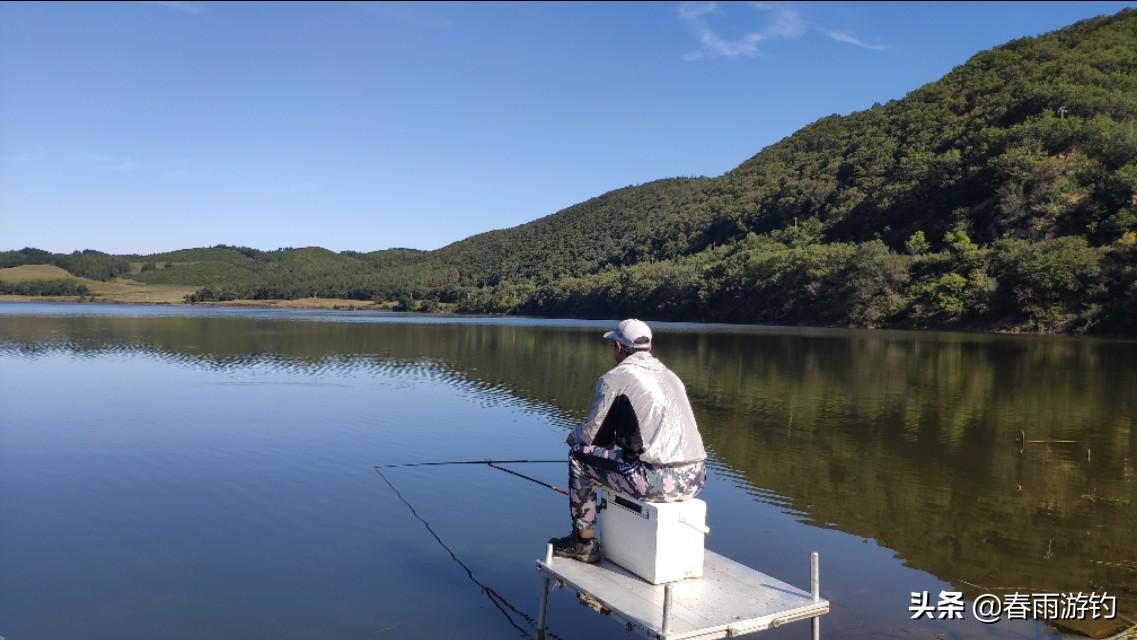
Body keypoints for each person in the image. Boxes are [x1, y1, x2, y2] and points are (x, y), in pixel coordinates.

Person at [549, 319, 707, 563]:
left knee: (579, 457)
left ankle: (583, 543)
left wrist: (573, 437)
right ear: (649, 346)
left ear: (619, 349)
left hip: (656, 481)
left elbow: (591, 435)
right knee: (614, 459)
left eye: (613, 345)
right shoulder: (671, 376)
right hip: (696, 478)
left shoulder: (615, 378)